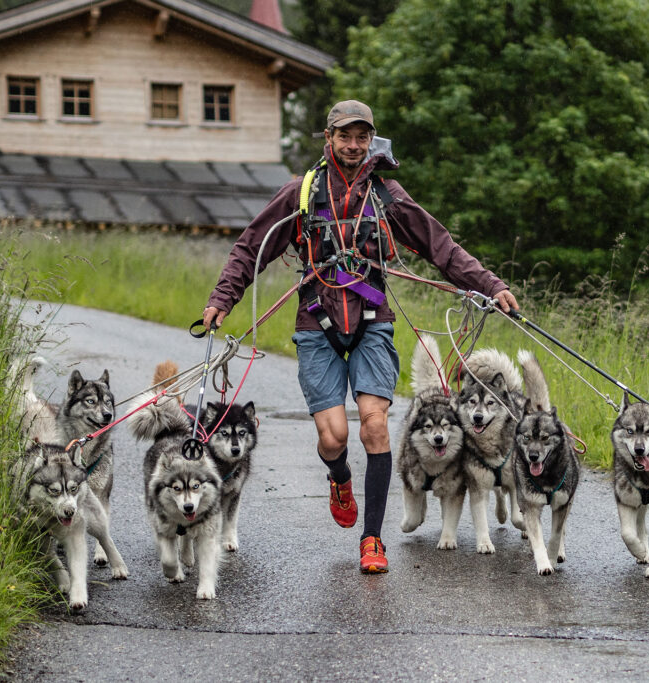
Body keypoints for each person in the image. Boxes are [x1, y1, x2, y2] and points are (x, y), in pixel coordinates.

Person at [202, 99, 518, 573]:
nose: (353, 145)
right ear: (328, 138)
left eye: (362, 137)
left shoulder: (386, 195)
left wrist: (489, 285)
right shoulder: (302, 194)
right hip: (316, 320)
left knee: (373, 424)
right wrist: (222, 300)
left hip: (373, 320)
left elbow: (440, 246)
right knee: (333, 437)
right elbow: (251, 248)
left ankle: (373, 540)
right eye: (345, 136)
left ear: (372, 140)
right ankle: (339, 475)